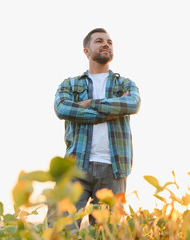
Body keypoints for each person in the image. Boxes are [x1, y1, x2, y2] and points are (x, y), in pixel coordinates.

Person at [52, 28, 141, 227]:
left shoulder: (125, 84)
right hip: (76, 167)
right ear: (86, 50)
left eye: (109, 42)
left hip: (114, 168)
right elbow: (62, 108)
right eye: (99, 41)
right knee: (61, 229)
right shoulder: (71, 84)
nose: (106, 44)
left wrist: (89, 103)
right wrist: (111, 111)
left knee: (106, 233)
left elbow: (133, 104)